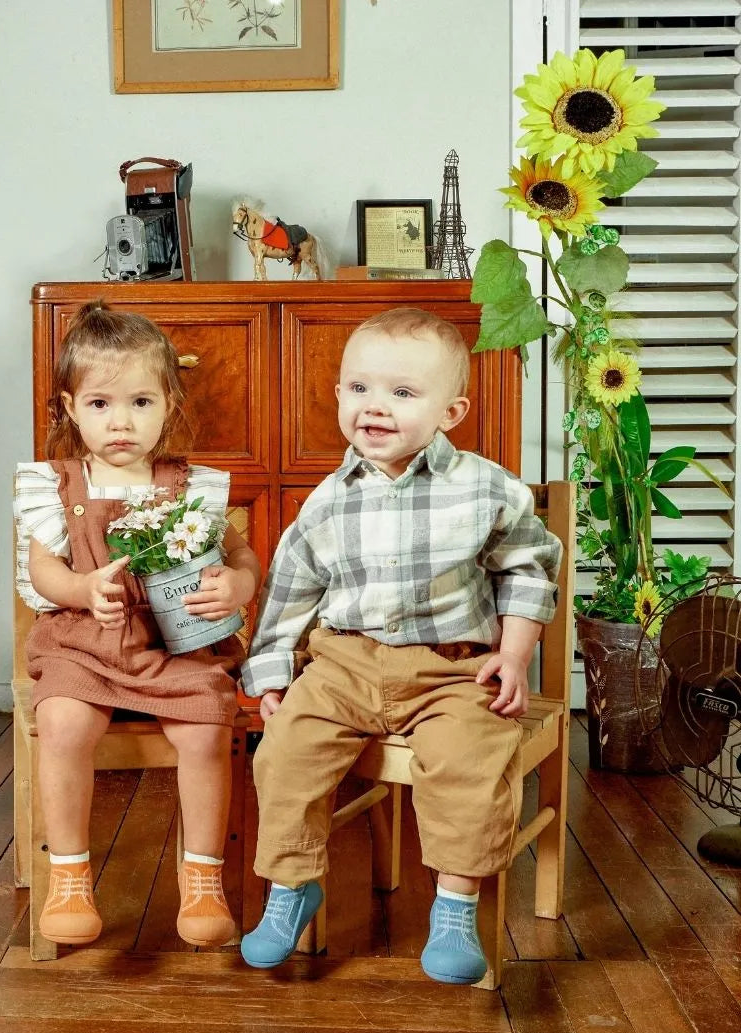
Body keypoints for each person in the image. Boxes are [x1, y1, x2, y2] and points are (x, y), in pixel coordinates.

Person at [238, 307, 561, 983]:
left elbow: (528, 568)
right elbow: (289, 592)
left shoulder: (482, 487)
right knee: (285, 751)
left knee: (469, 759)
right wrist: (272, 672)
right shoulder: (326, 502)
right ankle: (290, 889)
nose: (375, 408)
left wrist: (514, 652)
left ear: (451, 411)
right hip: (344, 665)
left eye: (403, 394)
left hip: (452, 672)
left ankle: (454, 906)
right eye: (359, 389)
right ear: (337, 396)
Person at [14, 300, 261, 950]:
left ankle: (203, 878)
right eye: (99, 405)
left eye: (140, 403)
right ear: (71, 409)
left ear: (169, 405)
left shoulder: (190, 486)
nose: (120, 422)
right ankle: (70, 873)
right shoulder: (57, 487)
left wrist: (234, 584)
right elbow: (43, 572)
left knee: (209, 727)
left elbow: (238, 553)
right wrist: (80, 587)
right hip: (84, 646)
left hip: (175, 648)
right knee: (65, 724)